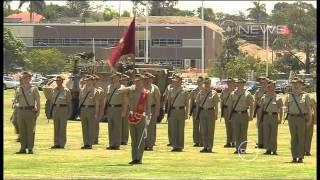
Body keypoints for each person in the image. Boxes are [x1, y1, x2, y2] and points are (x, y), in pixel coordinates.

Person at [285, 78, 312, 163]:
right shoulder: (289, 96)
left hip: (301, 119)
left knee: (301, 138)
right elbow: (286, 107)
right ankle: (294, 156)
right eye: (294, 84)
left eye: (297, 84)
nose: (295, 85)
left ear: (301, 85)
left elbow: (309, 109)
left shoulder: (305, 96)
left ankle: (300, 157)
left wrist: (310, 120)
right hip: (291, 118)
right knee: (293, 138)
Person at [126, 74, 151, 164]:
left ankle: (139, 158)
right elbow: (119, 90)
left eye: (139, 80)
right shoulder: (131, 91)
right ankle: (134, 157)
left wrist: (148, 118)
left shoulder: (146, 92)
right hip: (132, 116)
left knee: (140, 139)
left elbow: (148, 106)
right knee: (133, 139)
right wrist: (129, 87)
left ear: (143, 81)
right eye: (135, 80)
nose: (137, 82)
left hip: (141, 116)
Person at [14, 71, 41, 154]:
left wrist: (38, 111)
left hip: (30, 111)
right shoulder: (19, 88)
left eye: (26, 77)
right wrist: (16, 104)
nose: (25, 79)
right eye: (23, 77)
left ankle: (30, 148)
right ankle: (22, 148)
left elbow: (38, 101)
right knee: (22, 130)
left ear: (30, 78)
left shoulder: (34, 88)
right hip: (20, 111)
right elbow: (16, 100)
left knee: (30, 130)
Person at [228, 78, 254, 154]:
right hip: (235, 115)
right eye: (238, 83)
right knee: (236, 133)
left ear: (243, 84)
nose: (240, 85)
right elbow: (230, 106)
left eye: (241, 83)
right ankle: (237, 148)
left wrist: (251, 115)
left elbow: (251, 105)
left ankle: (243, 149)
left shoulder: (247, 94)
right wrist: (230, 116)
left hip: (244, 114)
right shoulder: (233, 94)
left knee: (243, 133)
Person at [104, 72, 128, 150]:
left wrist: (124, 111)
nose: (115, 78)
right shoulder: (109, 87)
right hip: (110, 108)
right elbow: (106, 99)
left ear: (119, 78)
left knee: (117, 127)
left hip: (118, 108)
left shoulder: (122, 87)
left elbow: (125, 101)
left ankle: (117, 144)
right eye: (113, 77)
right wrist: (104, 108)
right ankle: (111, 143)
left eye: (116, 77)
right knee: (110, 126)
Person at [195, 77, 219, 153]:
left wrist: (216, 114)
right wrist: (197, 114)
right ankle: (205, 146)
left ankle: (210, 147)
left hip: (210, 112)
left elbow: (216, 105)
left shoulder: (214, 93)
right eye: (205, 83)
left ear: (210, 83)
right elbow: (197, 103)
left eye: (208, 83)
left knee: (210, 130)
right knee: (203, 130)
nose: (206, 84)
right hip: (202, 112)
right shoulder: (200, 92)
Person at [167, 75, 189, 152]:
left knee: (180, 129)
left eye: (177, 81)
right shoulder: (170, 90)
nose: (175, 82)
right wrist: (168, 112)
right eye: (175, 81)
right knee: (173, 129)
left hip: (181, 110)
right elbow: (169, 103)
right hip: (173, 111)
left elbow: (187, 104)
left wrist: (187, 113)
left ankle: (180, 146)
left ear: (180, 82)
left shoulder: (184, 91)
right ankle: (174, 145)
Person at [260, 80, 283, 155]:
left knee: (273, 134)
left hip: (274, 116)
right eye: (269, 86)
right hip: (266, 116)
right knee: (266, 133)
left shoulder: (278, 97)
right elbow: (262, 109)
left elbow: (280, 109)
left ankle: (274, 149)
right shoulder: (264, 97)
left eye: (272, 86)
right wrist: (260, 119)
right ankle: (268, 149)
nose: (270, 88)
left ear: (274, 87)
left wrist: (280, 118)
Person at [49, 75, 72, 149]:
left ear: (62, 81)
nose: (58, 82)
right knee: (56, 127)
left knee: (62, 127)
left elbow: (69, 102)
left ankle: (62, 144)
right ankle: (56, 143)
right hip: (56, 108)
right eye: (57, 81)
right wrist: (51, 111)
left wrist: (69, 112)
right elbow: (52, 101)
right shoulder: (53, 90)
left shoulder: (66, 90)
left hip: (63, 108)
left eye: (59, 81)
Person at [79, 75, 100, 149]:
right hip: (83, 109)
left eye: (89, 80)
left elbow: (97, 103)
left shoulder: (95, 91)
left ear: (92, 81)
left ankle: (90, 143)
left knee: (91, 127)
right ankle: (85, 143)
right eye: (86, 80)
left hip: (91, 109)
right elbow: (80, 101)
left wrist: (96, 113)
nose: (88, 82)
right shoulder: (82, 90)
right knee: (84, 127)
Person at [143, 72, 161, 151]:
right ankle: (144, 144)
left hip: (152, 109)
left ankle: (150, 144)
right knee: (143, 127)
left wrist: (157, 111)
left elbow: (157, 101)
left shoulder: (155, 88)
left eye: (149, 79)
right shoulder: (141, 87)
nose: (147, 80)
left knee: (150, 127)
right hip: (142, 109)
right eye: (145, 79)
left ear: (151, 79)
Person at [254, 76, 268, 149]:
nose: (263, 84)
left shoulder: (269, 91)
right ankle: (260, 142)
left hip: (266, 110)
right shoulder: (258, 91)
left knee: (266, 126)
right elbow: (255, 102)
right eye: (261, 83)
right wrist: (254, 112)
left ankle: (266, 142)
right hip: (259, 110)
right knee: (260, 126)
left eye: (264, 82)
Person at [220, 78, 236, 148]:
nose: (229, 83)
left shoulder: (235, 91)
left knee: (234, 126)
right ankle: (228, 141)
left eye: (230, 82)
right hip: (226, 109)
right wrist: (222, 111)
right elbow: (222, 102)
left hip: (233, 110)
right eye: (228, 82)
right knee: (228, 126)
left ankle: (234, 142)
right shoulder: (224, 91)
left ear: (233, 82)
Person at [189, 76, 204, 147]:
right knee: (195, 126)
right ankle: (196, 141)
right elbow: (191, 102)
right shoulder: (194, 91)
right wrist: (190, 111)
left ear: (203, 82)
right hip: (195, 110)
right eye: (198, 81)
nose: (199, 83)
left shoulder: (205, 91)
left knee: (203, 126)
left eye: (200, 81)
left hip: (203, 110)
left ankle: (202, 141)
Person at [302, 82, 316, 156]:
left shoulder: (311, 98)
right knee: (300, 134)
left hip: (309, 117)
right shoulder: (299, 97)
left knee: (308, 135)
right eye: (304, 87)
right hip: (300, 118)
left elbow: (315, 109)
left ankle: (307, 150)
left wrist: (315, 120)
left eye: (306, 87)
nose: (305, 88)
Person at [92, 75, 104, 145]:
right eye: (92, 80)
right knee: (89, 125)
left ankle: (95, 139)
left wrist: (101, 112)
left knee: (95, 125)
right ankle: (89, 139)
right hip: (89, 109)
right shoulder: (88, 88)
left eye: (95, 80)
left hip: (97, 109)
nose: (93, 81)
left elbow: (102, 102)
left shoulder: (100, 90)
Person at [120, 74, 130, 145]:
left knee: (125, 124)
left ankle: (125, 139)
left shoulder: (129, 89)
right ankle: (120, 138)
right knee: (120, 124)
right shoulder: (120, 88)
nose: (123, 81)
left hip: (128, 108)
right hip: (120, 107)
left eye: (125, 80)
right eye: (122, 80)